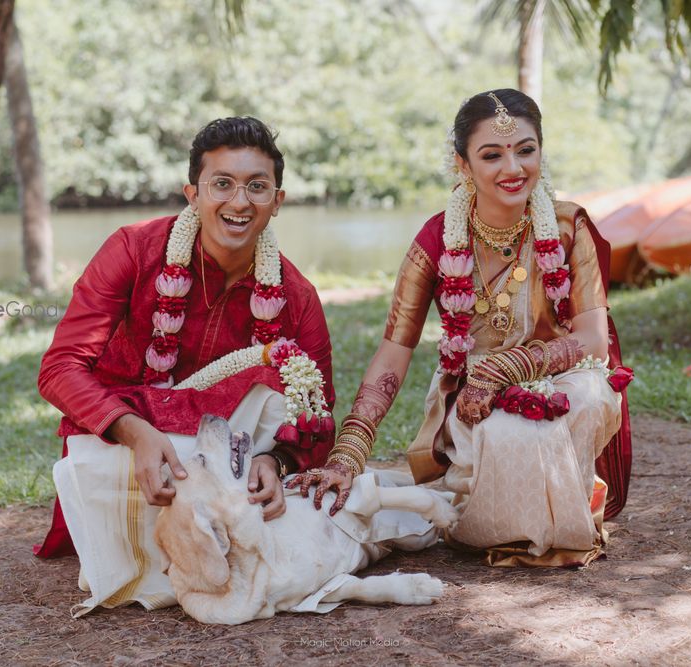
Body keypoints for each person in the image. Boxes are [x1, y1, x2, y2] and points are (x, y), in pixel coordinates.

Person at [290, 89, 633, 567]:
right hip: (474, 398)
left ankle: (557, 521)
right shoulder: (436, 240)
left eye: (526, 150)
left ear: (541, 151)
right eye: (491, 155)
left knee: (591, 396)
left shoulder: (568, 227)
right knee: (509, 430)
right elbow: (393, 352)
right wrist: (349, 451)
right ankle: (505, 521)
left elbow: (593, 339)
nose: (512, 169)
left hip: (565, 379)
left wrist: (511, 364)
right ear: (463, 165)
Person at [34, 117, 336, 613]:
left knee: (284, 391)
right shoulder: (132, 251)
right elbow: (60, 368)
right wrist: (135, 433)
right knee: (112, 465)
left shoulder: (296, 296)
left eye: (256, 187)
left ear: (276, 202)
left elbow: (316, 412)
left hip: (229, 456)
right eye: (222, 184)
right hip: (130, 450)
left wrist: (276, 462)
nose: (239, 202)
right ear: (193, 193)